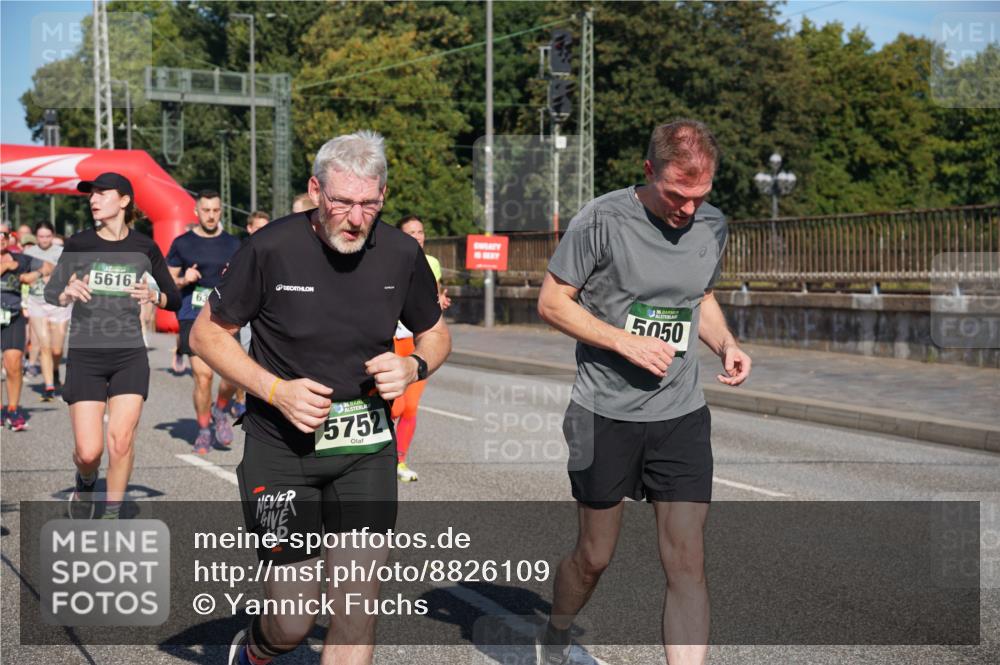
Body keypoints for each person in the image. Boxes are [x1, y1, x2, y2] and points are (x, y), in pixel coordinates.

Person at [190, 130, 450, 665]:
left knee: (355, 609)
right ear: (314, 190)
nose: (355, 218)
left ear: (382, 195)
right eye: (342, 202)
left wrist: (413, 364)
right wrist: (276, 390)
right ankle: (257, 651)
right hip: (280, 452)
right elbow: (206, 335)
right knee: (291, 621)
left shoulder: (402, 254)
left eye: (369, 204)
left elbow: (437, 333)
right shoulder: (270, 248)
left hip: (365, 451)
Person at [535, 120, 751, 665]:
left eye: (700, 197)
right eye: (677, 195)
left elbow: (698, 297)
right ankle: (557, 635)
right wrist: (623, 342)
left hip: (680, 413)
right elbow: (553, 303)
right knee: (594, 555)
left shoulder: (713, 225)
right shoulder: (601, 220)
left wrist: (726, 342)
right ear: (649, 171)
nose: (687, 210)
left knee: (687, 560)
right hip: (603, 411)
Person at [44, 172, 181, 519]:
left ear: (124, 201)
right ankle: (86, 482)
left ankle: (110, 516)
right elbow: (51, 293)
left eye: (102, 193)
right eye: (91, 194)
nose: (93, 199)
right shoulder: (78, 244)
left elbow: (174, 298)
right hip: (87, 355)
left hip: (129, 354)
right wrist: (66, 291)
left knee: (120, 441)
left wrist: (154, 294)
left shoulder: (144, 247)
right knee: (89, 452)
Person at [166, 190, 241, 453]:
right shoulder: (182, 243)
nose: (211, 215)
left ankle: (220, 410)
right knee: (203, 376)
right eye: (206, 210)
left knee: (233, 376)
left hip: (226, 316)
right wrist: (184, 279)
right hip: (192, 314)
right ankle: (203, 429)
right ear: (196, 212)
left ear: (221, 211)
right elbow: (168, 280)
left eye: (216, 210)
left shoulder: (234, 244)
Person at [391, 215, 451, 482]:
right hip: (391, 341)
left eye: (420, 231)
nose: (417, 236)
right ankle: (379, 456)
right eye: (411, 232)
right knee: (394, 407)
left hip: (416, 344)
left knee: (410, 408)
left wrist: (440, 299)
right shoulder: (389, 260)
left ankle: (400, 461)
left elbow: (432, 298)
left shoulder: (432, 263)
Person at [2, 228, 48, 430]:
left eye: (4, 235)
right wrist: (5, 268)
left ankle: (13, 409)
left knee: (13, 364)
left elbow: (49, 267)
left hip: (13, 316)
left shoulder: (21, 259)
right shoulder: (11, 263)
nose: (1, 239)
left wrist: (35, 274)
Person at [24, 222, 71, 400]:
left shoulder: (61, 252)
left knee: (57, 350)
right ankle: (49, 385)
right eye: (41, 236)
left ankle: (55, 370)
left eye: (47, 236)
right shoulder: (29, 254)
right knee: (44, 346)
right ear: (36, 237)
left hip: (59, 304)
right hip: (37, 302)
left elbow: (71, 273)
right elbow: (23, 277)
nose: (44, 240)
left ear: (53, 236)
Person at [232, 210, 271, 418]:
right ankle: (240, 398)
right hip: (245, 312)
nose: (263, 232)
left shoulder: (275, 250)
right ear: (249, 228)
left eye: (266, 227)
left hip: (267, 312)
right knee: (247, 356)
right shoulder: (241, 250)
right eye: (258, 228)